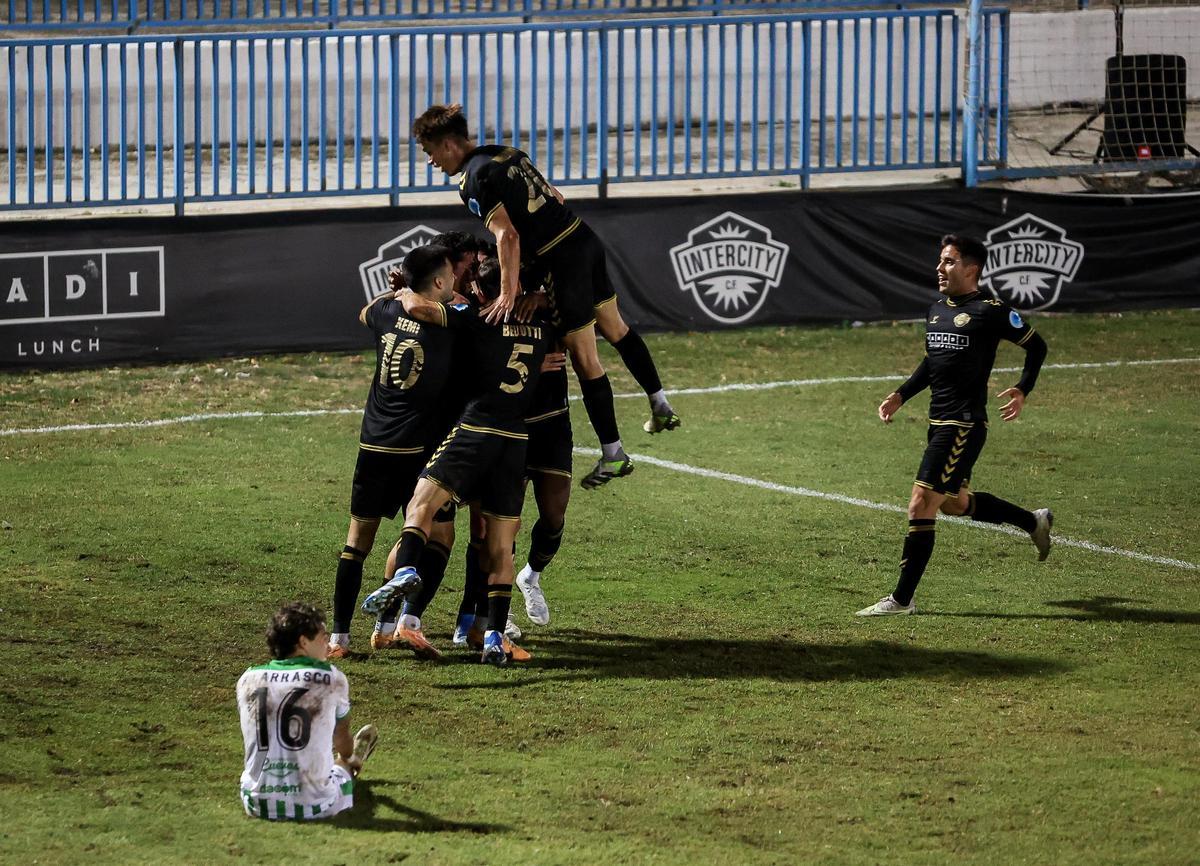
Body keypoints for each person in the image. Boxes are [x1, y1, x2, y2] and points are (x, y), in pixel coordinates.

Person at [411, 103, 681, 490]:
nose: (431, 161)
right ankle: (659, 403)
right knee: (616, 328)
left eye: (430, 152)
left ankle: (614, 454)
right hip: (583, 240)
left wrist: (508, 292)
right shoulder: (504, 153)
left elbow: (507, 235)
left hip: (561, 261)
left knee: (585, 357)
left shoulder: (472, 178)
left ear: (449, 144)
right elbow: (555, 195)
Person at [362, 256, 549, 666]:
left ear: (484, 292)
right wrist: (536, 296)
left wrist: (403, 289)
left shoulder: (477, 319)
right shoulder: (544, 322)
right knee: (501, 547)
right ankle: (495, 639)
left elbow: (419, 308)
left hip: (475, 429)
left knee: (420, 505)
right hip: (516, 439)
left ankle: (408, 571)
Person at [857, 234, 1053, 617]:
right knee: (954, 503)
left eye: (948, 261)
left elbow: (1037, 346)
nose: (939, 268)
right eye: (940, 261)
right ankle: (1032, 520)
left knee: (920, 503)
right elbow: (934, 363)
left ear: (971, 269)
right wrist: (901, 394)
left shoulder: (990, 310)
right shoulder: (935, 310)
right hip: (938, 421)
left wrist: (1022, 388)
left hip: (962, 424)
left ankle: (901, 599)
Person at [326, 244, 461, 658]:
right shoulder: (449, 322)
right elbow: (454, 308)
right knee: (438, 532)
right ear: (438, 281)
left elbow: (364, 312)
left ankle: (339, 640)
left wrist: (397, 293)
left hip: (372, 445)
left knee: (357, 542)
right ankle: (405, 622)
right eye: (450, 276)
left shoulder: (387, 313)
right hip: (415, 450)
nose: (455, 281)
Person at [236, 602, 378, 821]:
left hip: (256, 803)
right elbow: (341, 738)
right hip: (314, 805)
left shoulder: (248, 679)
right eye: (323, 637)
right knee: (341, 767)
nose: (328, 644)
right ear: (303, 642)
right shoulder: (330, 677)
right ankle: (351, 766)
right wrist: (347, 756)